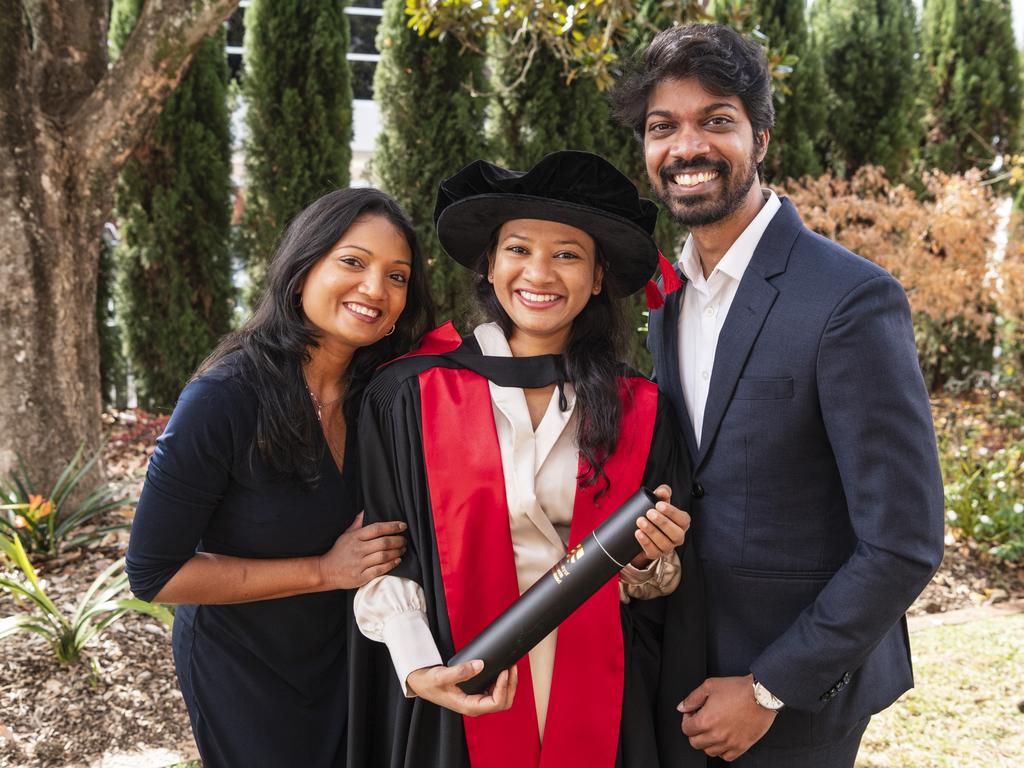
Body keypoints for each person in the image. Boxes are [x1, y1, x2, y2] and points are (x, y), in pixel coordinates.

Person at [609, 22, 945, 768]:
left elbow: (904, 540)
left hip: (791, 697)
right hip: (675, 665)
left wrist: (769, 688)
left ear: (761, 138)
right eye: (663, 127)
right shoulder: (665, 295)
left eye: (716, 121)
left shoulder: (851, 299)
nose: (686, 147)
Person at [348, 150, 706, 768]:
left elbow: (654, 591)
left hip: (598, 694)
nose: (539, 272)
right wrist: (422, 667)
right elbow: (386, 554)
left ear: (598, 277)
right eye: (518, 249)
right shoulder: (409, 396)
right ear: (490, 265)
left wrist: (653, 559)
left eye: (567, 254)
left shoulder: (640, 409)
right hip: (456, 691)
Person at [125, 188, 435, 767]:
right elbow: (153, 574)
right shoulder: (223, 398)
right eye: (353, 261)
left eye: (397, 276)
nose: (376, 288)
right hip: (246, 667)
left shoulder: (385, 395)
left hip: (352, 654)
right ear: (301, 271)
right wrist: (324, 571)